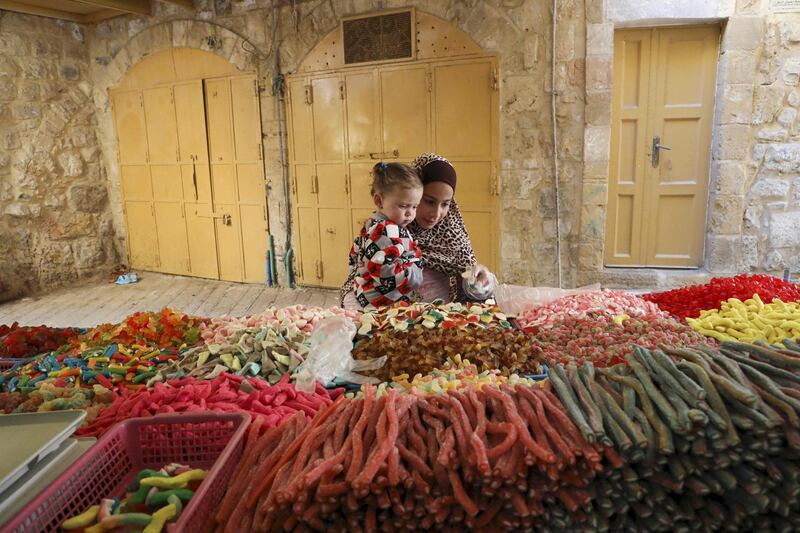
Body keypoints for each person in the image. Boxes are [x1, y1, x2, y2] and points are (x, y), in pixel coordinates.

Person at [340, 153, 495, 308]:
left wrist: (480, 282)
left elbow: (473, 290)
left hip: (438, 325)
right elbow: (356, 284)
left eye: (445, 204)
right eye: (428, 201)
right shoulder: (384, 233)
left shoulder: (452, 238)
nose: (435, 214)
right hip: (391, 323)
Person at [347, 162, 424, 309]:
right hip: (383, 302)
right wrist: (414, 275)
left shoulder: (372, 224)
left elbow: (353, 255)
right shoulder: (385, 230)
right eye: (403, 206)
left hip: (367, 295)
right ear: (379, 201)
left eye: (414, 206)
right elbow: (382, 269)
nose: (410, 213)